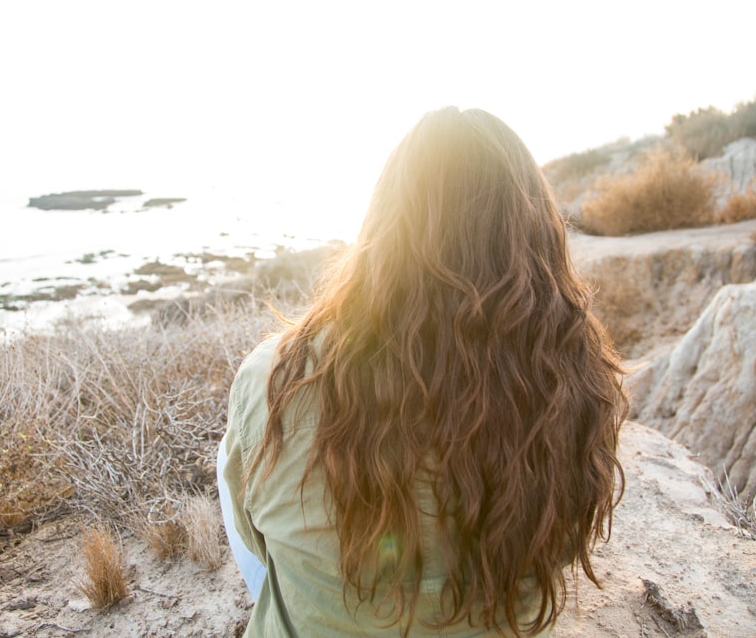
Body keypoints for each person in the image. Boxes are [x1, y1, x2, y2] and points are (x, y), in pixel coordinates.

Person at [219, 107, 627, 636]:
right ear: (535, 234)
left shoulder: (274, 377)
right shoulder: (577, 381)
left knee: (246, 470)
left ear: (382, 226)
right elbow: (568, 543)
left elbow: (254, 536)